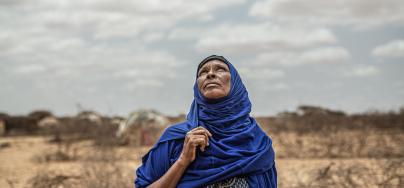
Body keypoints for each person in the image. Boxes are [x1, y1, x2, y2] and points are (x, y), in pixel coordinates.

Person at [135, 55, 277, 188]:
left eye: (220, 69)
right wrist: (183, 160)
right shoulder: (176, 138)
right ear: (197, 87)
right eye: (202, 72)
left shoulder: (258, 144)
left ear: (236, 84)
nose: (210, 74)